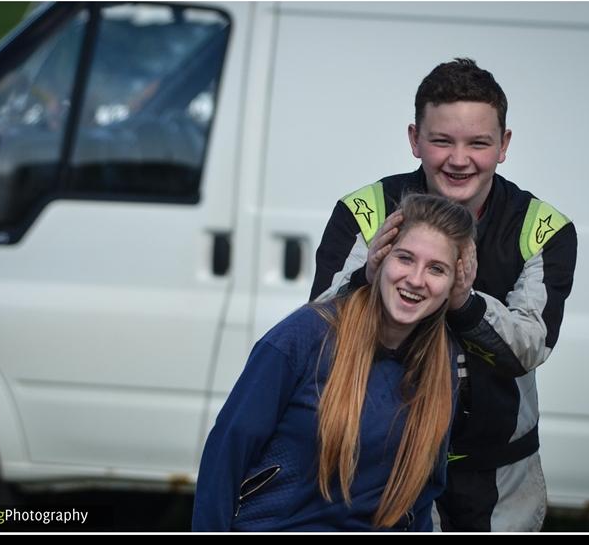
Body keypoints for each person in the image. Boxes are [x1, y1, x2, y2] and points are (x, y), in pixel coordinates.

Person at [309, 58, 578, 532]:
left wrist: (464, 302)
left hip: (500, 476)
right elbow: (318, 331)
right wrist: (367, 279)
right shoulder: (365, 211)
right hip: (385, 462)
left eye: (478, 142)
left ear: (504, 145)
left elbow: (530, 347)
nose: (459, 159)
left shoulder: (544, 227)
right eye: (441, 141)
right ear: (414, 139)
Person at [192, 194, 475, 531]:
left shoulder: (443, 365)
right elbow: (226, 453)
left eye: (436, 269)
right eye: (404, 258)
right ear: (380, 258)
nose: (415, 279)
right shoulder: (305, 335)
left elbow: (422, 498)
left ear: (454, 286)